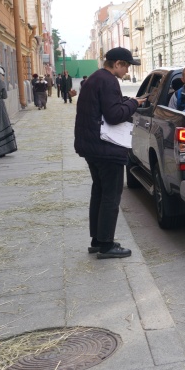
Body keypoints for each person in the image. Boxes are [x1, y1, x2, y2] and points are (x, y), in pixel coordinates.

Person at [74, 47, 144, 259]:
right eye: (127, 66)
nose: (127, 71)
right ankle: (106, 245)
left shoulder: (96, 78)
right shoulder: (109, 80)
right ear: (117, 64)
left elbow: (104, 107)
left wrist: (126, 101)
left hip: (91, 146)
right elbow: (113, 116)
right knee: (111, 196)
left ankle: (97, 239)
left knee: (100, 191)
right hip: (106, 148)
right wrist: (132, 103)